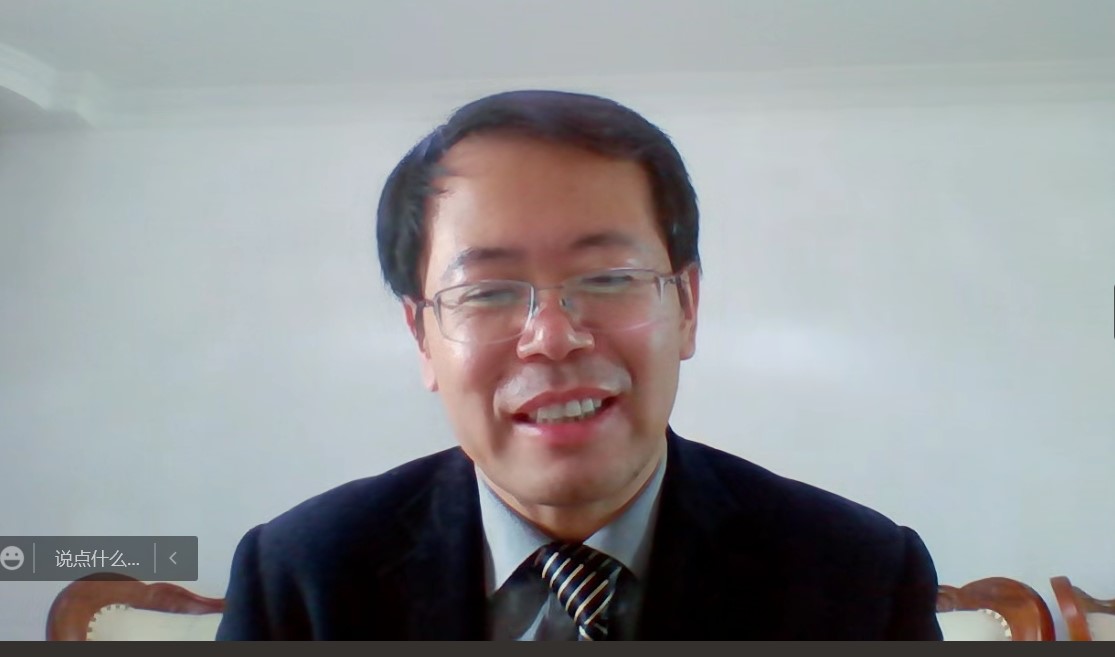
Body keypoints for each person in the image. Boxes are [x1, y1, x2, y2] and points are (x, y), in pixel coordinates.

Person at [216, 89, 943, 640]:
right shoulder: (301, 578)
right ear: (422, 336)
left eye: (609, 278)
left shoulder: (860, 575)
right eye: (487, 292)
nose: (553, 337)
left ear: (686, 306)